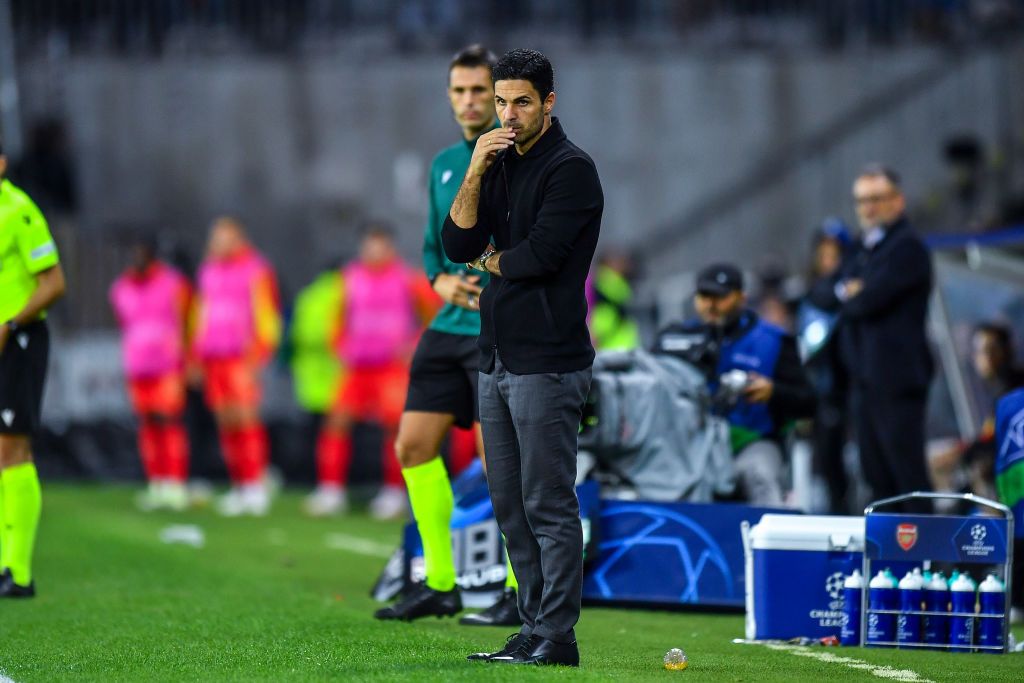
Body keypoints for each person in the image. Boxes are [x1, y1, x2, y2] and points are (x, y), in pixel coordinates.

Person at [443, 48, 602, 667]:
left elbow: (537, 258)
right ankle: (534, 625)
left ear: (549, 102)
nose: (508, 114)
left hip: (549, 360)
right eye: (501, 101)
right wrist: (477, 169)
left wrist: (490, 260)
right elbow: (458, 242)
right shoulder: (500, 161)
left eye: (522, 102)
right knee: (509, 504)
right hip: (498, 359)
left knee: (548, 502)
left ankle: (557, 635)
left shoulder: (572, 169)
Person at [374, 44, 522, 626]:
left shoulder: (519, 159)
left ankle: (518, 588)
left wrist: (495, 281)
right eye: (459, 91)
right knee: (411, 445)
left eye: (479, 90)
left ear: (499, 95)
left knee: (498, 463)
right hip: (445, 327)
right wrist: (437, 281)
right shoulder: (441, 164)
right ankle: (440, 583)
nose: (468, 101)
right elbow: (433, 249)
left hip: (495, 328)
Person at [653, 263, 817, 506]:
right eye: (703, 296)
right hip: (689, 445)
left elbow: (809, 402)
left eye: (720, 297)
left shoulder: (774, 341)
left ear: (742, 298)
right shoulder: (674, 338)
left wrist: (773, 392)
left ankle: (767, 539)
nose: (710, 305)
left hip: (752, 442)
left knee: (760, 472)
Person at [313, 224, 438, 520]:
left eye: (379, 246)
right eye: (368, 246)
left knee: (396, 429)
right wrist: (340, 347)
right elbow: (336, 319)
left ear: (390, 248)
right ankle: (331, 490)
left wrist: (414, 347)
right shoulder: (349, 279)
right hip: (356, 368)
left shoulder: (408, 280)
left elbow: (433, 317)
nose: (373, 252)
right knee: (336, 423)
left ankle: (393, 493)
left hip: (391, 369)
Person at [836, 165, 934, 512]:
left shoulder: (907, 248)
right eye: (862, 201)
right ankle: (891, 563)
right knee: (877, 479)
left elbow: (866, 300)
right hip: (864, 382)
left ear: (898, 200)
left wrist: (855, 293)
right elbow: (833, 291)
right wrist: (852, 292)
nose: (868, 208)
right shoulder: (862, 248)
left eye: (876, 199)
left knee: (907, 479)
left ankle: (928, 561)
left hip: (896, 381)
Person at [0, 141, 67, 597]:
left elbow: (55, 282)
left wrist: (11, 323)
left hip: (18, 342)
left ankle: (18, 573)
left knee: (12, 451)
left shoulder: (19, 210)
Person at [193, 217, 282, 516]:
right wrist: (196, 355)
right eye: (214, 237)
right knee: (226, 422)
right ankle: (240, 484)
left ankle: (256, 484)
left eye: (224, 237)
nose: (218, 243)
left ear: (239, 238)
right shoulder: (207, 271)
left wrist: (259, 354)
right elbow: (201, 315)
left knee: (246, 420)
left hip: (241, 358)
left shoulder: (256, 270)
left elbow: (268, 315)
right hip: (214, 358)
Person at [110, 237, 193, 511]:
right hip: (137, 366)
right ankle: (156, 483)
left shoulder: (174, 284)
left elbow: (189, 321)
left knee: (168, 421)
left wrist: (189, 358)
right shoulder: (121, 288)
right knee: (147, 424)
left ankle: (175, 484)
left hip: (167, 364)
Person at [929, 323, 1024, 501]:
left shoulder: (1013, 391)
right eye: (980, 351)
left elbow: (1000, 440)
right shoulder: (997, 390)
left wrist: (961, 454)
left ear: (1007, 350)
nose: (986, 358)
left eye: (992, 349)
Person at [797, 219, 853, 514]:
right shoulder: (815, 292)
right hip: (823, 388)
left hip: (846, 386)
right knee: (826, 460)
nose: (827, 259)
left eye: (834, 253)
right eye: (823, 252)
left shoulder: (848, 290)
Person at [290, 264, 346, 515]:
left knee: (329, 431)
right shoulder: (346, 289)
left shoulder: (309, 294)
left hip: (313, 375)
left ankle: (330, 489)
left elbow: (298, 335)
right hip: (342, 371)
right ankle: (392, 492)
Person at [587, 248, 640, 351]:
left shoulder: (604, 282)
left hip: (616, 348)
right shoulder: (610, 284)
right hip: (615, 350)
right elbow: (604, 316)